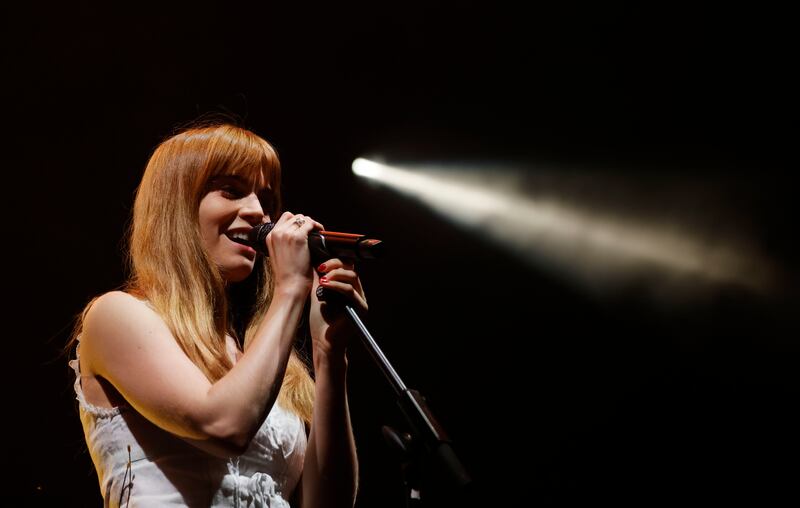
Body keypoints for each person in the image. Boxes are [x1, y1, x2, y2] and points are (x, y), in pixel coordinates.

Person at [66, 122, 366, 507]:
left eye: (266, 198)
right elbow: (223, 427)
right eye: (232, 191)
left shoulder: (262, 358)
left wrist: (330, 357)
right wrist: (290, 290)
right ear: (177, 206)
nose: (259, 212)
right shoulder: (117, 316)